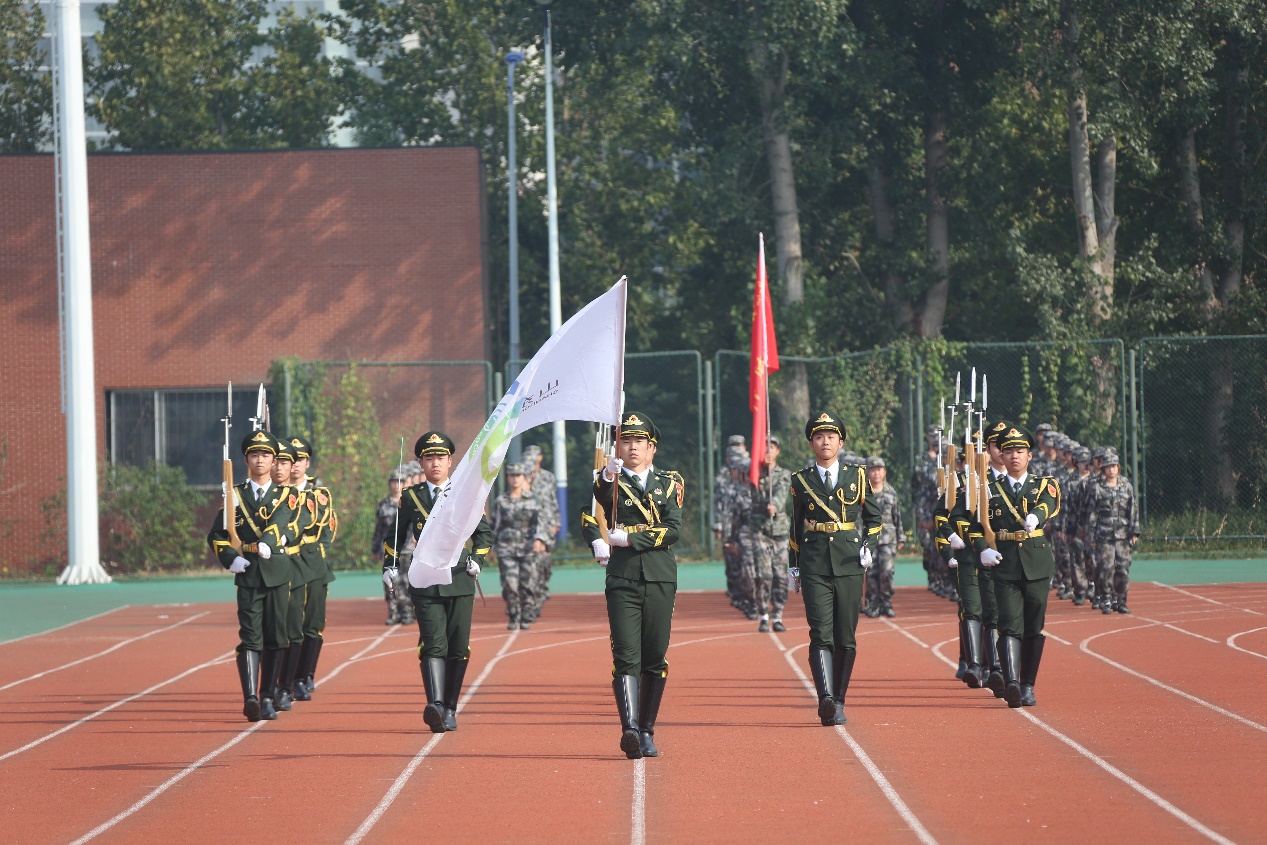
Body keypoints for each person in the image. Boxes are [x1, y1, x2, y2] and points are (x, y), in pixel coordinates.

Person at [585, 411, 683, 760]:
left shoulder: (669, 483)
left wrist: (630, 539)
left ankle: (646, 729)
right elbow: (599, 497)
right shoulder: (610, 480)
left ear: (652, 447)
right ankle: (629, 728)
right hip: (623, 578)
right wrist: (606, 476)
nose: (632, 447)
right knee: (626, 655)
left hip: (659, 576)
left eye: (639, 441)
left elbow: (673, 528)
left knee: (654, 656)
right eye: (625, 441)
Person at [383, 431, 492, 733]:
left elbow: (483, 534)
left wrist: (477, 560)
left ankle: (451, 707)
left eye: (440, 458)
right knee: (432, 643)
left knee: (458, 647)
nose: (435, 463)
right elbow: (395, 535)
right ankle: (436, 705)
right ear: (421, 463)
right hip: (425, 578)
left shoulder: (465, 493)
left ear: (450, 461)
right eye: (429, 458)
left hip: (458, 577)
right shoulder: (411, 496)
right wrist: (390, 565)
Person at [789, 412, 883, 726]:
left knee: (846, 636)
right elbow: (795, 525)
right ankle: (825, 697)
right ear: (811, 443)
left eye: (831, 437)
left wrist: (869, 545)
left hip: (849, 562)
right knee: (820, 633)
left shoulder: (858, 476)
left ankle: (839, 699)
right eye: (819, 437)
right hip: (814, 562)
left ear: (840, 443)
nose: (825, 442)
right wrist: (793, 565)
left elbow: (874, 518)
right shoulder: (801, 480)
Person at [207, 430, 298, 722]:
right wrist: (230, 558)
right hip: (247, 572)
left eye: (266, 455)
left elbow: (281, 521)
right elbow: (217, 535)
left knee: (277, 636)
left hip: (276, 572)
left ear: (274, 461)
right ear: (246, 460)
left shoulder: (287, 494)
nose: (260, 460)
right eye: (254, 455)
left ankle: (268, 696)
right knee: (250, 636)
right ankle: (250, 697)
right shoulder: (234, 495)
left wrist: (267, 542)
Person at [973, 425, 1059, 708]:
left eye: (1019, 451)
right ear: (1001, 455)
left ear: (1029, 456)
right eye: (1008, 451)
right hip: (1004, 562)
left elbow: (1048, 503)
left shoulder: (1043, 484)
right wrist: (983, 548)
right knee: (1009, 623)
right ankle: (1011, 682)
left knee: (1034, 626)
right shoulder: (988, 489)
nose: (1014, 456)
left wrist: (1036, 516)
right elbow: (974, 525)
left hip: (1036, 562)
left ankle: (1027, 685)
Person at [288, 435, 337, 698]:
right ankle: (287, 678)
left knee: (313, 623)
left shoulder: (319, 494)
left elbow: (328, 530)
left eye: (301, 459)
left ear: (307, 463)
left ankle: (305, 675)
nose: (295, 464)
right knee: (289, 624)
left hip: (314, 563)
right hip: (286, 563)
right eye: (291, 459)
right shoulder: (276, 493)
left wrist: (316, 554)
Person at [736, 436, 792, 632]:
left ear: (778, 451)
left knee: (781, 576)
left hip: (779, 531)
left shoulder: (784, 474)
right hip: (760, 530)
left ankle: (778, 615)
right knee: (763, 575)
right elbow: (750, 493)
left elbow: (781, 494)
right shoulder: (754, 473)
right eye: (765, 447)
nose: (769, 451)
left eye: (772, 447)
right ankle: (763, 614)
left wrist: (774, 505)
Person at [268, 440, 307, 711]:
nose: (280, 467)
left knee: (292, 629)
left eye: (285, 462)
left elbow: (300, 524)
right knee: (268, 630)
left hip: (293, 566)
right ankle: (267, 687)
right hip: (264, 569)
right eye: (277, 462)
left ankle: (285, 686)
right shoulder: (256, 496)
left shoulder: (298, 496)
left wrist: (277, 538)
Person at [491, 461, 552, 630]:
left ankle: (526, 614)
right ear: (508, 477)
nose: (515, 479)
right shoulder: (501, 501)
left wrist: (539, 540)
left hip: (528, 548)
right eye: (512, 475)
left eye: (518, 475)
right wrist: (490, 547)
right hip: (506, 548)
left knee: (527, 584)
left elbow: (541, 522)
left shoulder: (534, 500)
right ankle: (513, 614)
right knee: (509, 584)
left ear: (524, 477)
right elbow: (494, 525)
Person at [1087, 452, 1139, 614]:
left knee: (1122, 568)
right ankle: (1106, 599)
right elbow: (1092, 512)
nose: (1111, 470)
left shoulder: (1126, 486)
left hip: (1123, 535)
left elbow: (1132, 509)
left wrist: (1134, 531)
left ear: (1118, 468)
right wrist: (1091, 535)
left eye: (1114, 466)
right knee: (1106, 568)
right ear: (1103, 469)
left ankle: (1121, 601)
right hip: (1104, 535)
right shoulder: (1097, 487)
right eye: (1108, 467)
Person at [912, 425, 952, 600]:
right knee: (929, 547)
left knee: (943, 545)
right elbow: (916, 485)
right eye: (932, 437)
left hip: (943, 508)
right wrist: (920, 513)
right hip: (926, 508)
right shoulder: (922, 459)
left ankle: (945, 581)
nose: (935, 441)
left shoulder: (950, 459)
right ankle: (934, 578)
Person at [520, 445, 560, 623]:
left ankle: (541, 590)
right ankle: (530, 604)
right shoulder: (521, 477)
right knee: (530, 566)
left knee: (544, 565)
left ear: (540, 458)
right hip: (528, 527)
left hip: (546, 524)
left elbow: (552, 501)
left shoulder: (548, 477)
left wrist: (556, 522)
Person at [863, 456, 904, 619]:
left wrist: (900, 537)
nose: (876, 473)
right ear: (868, 473)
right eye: (873, 470)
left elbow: (897, 515)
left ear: (884, 472)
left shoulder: (890, 492)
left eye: (879, 470)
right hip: (868, 538)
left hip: (888, 539)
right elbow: (858, 518)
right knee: (871, 573)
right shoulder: (862, 492)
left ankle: (886, 603)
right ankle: (873, 604)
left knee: (886, 572)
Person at [372, 467, 413, 625]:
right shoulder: (384, 505)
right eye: (394, 482)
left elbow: (413, 527)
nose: (396, 485)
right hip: (388, 550)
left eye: (400, 482)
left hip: (406, 549)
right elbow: (378, 528)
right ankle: (393, 612)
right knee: (390, 581)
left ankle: (407, 612)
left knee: (405, 582)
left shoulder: (410, 503)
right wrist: (376, 547)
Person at [714, 446, 752, 617]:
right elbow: (720, 505)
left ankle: (748, 598)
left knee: (746, 567)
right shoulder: (725, 479)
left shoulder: (749, 485)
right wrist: (720, 527)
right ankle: (739, 595)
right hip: (731, 528)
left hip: (745, 531)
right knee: (734, 565)